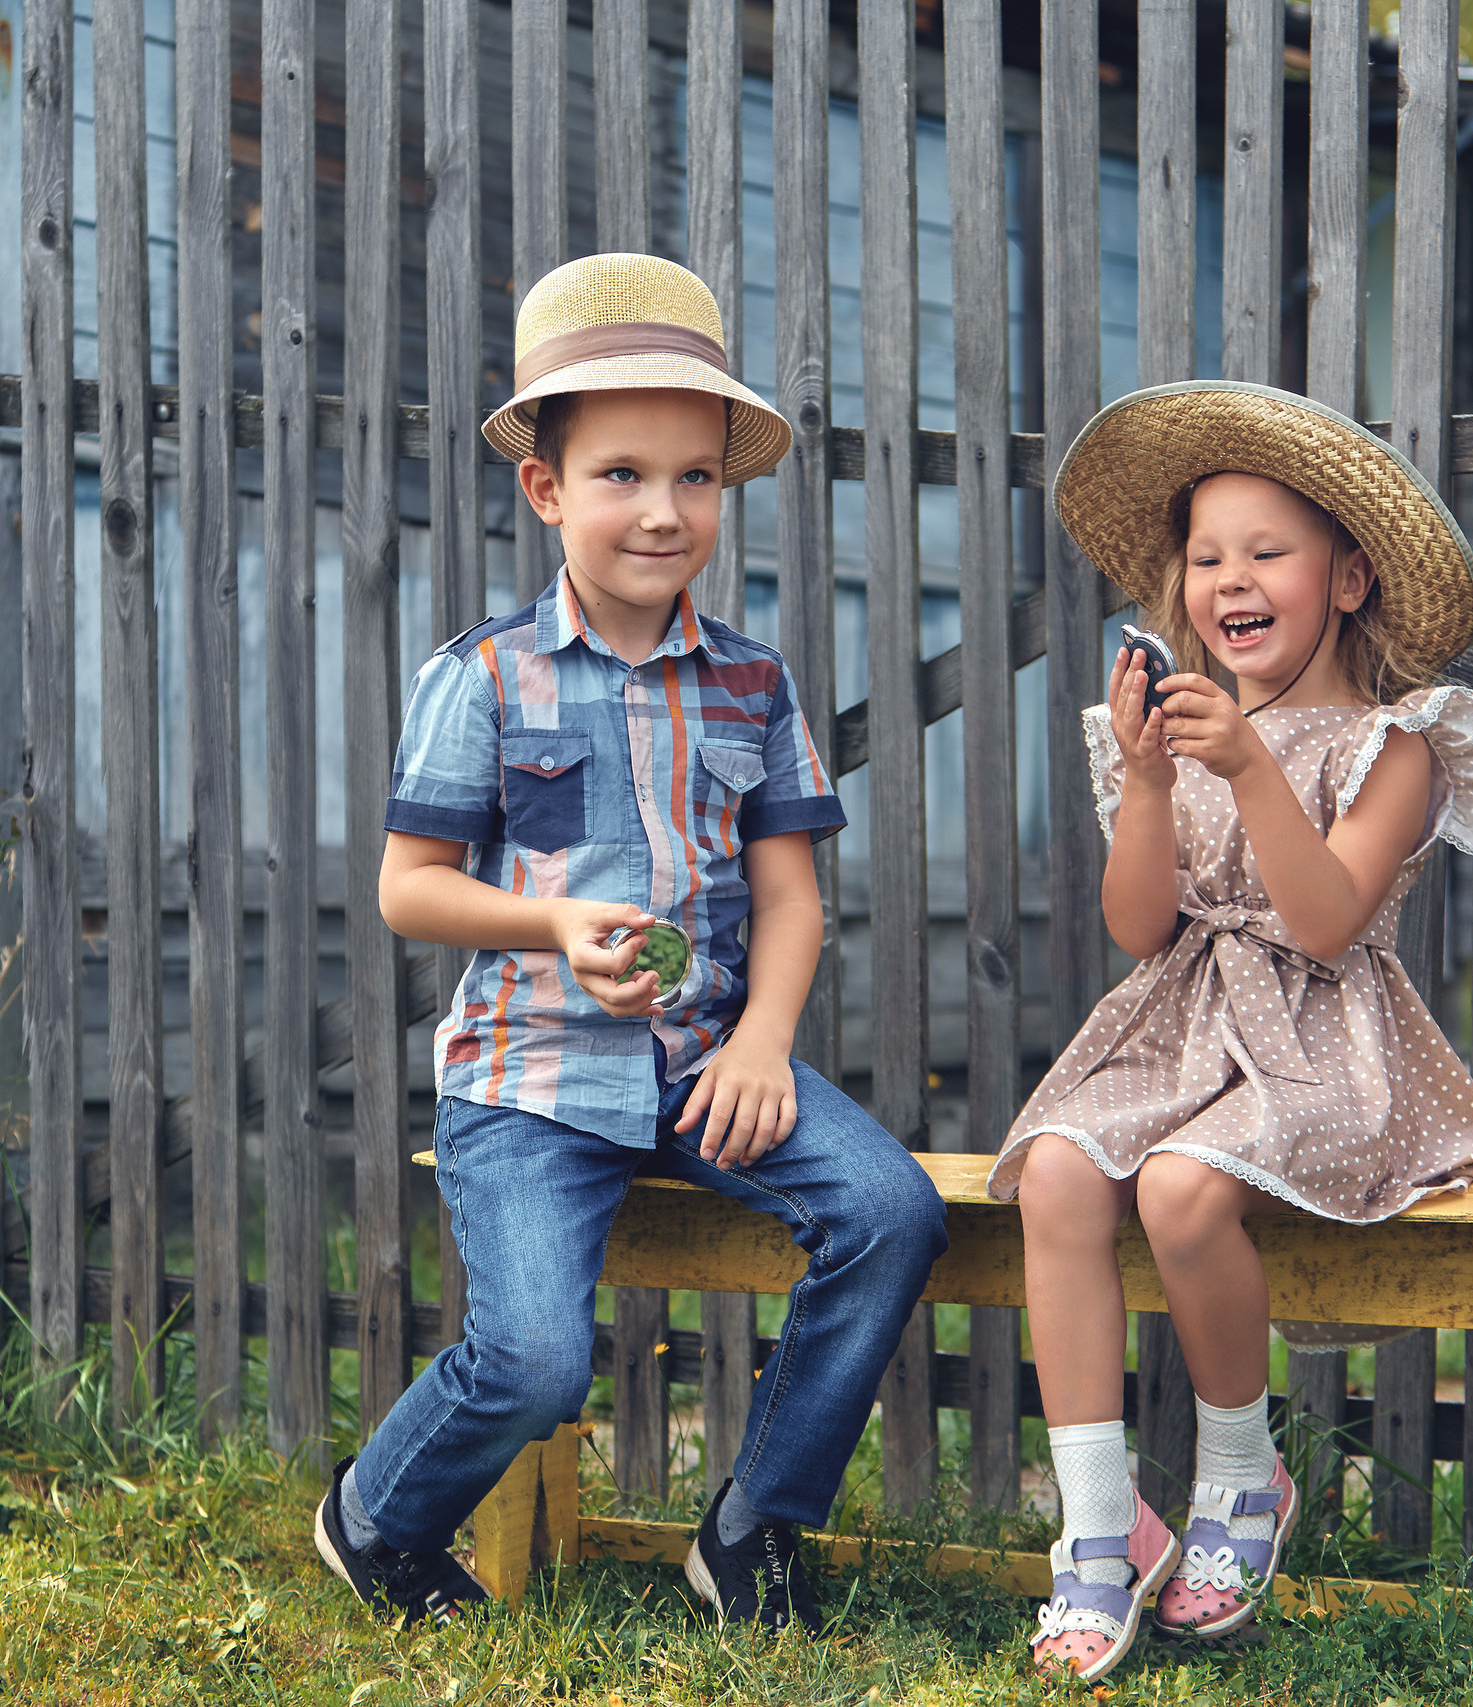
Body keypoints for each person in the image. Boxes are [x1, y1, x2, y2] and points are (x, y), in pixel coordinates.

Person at [314, 252, 948, 1634]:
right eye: (620, 476)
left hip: (704, 1064)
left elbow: (790, 899)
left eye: (695, 477)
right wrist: (548, 922)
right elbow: (409, 889)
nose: (662, 512)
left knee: (891, 1211)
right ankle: (380, 1518)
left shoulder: (754, 682)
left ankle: (755, 1528)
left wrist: (765, 1044)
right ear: (548, 489)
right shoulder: (483, 676)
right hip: (530, 1080)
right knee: (539, 1364)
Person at [995, 382, 1473, 1683]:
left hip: (1326, 1039)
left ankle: (1242, 1479)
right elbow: (1138, 929)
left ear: (1343, 581)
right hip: (1179, 1026)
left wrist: (1248, 770)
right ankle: (1100, 1526)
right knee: (1055, 1165)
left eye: (1265, 553)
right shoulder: (1167, 739)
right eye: (1208, 557)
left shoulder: (1402, 741)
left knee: (1178, 1191)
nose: (1231, 578)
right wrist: (1156, 783)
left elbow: (1330, 921)